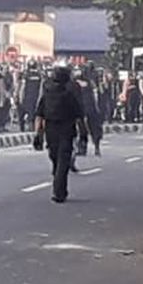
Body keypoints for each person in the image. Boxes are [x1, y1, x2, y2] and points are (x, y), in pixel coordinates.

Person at [34, 66, 83, 203]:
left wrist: (38, 133)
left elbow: (39, 116)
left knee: (56, 158)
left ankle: (58, 186)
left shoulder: (47, 94)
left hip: (51, 130)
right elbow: (79, 115)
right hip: (66, 130)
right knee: (62, 161)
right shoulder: (69, 95)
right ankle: (59, 189)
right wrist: (83, 133)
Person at [17, 59, 44, 131]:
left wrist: (20, 98)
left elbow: (22, 88)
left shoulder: (25, 75)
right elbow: (41, 88)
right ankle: (33, 129)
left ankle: (23, 129)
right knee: (34, 115)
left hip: (26, 97)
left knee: (23, 114)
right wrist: (40, 98)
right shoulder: (39, 75)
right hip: (36, 97)